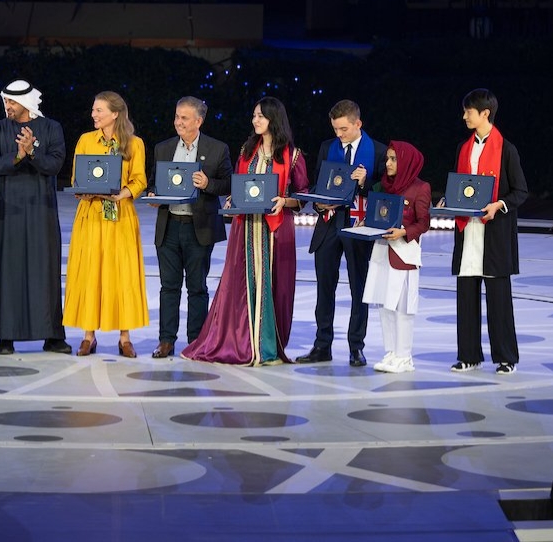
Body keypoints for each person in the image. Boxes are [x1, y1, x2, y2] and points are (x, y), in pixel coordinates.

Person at [181, 97, 309, 366]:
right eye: (254, 116)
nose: (255, 121)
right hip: (246, 228)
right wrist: (232, 199)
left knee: (273, 285)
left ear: (274, 118)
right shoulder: (247, 150)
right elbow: (238, 184)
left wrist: (284, 202)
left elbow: (302, 195)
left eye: (261, 116)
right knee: (239, 283)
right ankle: (239, 339)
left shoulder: (293, 155)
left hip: (274, 231)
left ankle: (266, 345)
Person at [0, 80, 71, 355]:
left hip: (41, 211)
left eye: (12, 102)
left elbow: (55, 165)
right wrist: (18, 156)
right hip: (7, 212)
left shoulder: (51, 128)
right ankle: (6, 335)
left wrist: (32, 152)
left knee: (44, 270)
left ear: (27, 104)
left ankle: (52, 334)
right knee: (7, 270)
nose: (7, 107)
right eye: (6, 102)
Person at [296, 99, 386, 367]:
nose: (339, 135)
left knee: (359, 287)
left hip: (358, 224)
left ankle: (355, 347)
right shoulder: (327, 147)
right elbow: (317, 184)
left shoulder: (379, 152)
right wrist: (318, 202)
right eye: (335, 129)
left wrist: (366, 181)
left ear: (358, 124)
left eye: (344, 129)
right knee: (325, 287)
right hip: (328, 224)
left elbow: (385, 191)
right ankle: (322, 345)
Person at [446, 89, 528, 375]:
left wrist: (499, 205)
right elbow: (461, 186)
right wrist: (449, 199)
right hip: (469, 232)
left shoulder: (506, 149)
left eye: (469, 111)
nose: (464, 116)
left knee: (499, 300)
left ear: (485, 113)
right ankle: (468, 355)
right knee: (466, 296)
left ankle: (506, 357)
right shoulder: (463, 147)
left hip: (494, 234)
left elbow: (520, 191)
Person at [63, 91, 149, 358]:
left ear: (115, 114)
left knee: (123, 274)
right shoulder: (86, 141)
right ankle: (88, 335)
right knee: (91, 273)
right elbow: (78, 178)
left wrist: (122, 194)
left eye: (99, 110)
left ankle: (125, 337)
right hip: (91, 216)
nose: (93, 115)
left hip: (120, 217)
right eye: (93, 110)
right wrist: (86, 190)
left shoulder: (134, 144)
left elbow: (139, 180)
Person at [148, 96, 232, 358]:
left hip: (199, 227)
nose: (178, 122)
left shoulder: (217, 149)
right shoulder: (163, 148)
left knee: (197, 287)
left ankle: (196, 340)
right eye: (176, 117)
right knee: (168, 286)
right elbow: (153, 183)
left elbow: (229, 184)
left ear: (199, 120)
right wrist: (152, 195)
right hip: (169, 225)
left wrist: (208, 184)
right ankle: (166, 341)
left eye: (184, 118)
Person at [362, 141, 431, 373]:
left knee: (403, 308)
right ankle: (391, 352)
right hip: (382, 251)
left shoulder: (420, 188)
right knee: (385, 306)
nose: (388, 163)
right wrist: (366, 223)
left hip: (404, 253)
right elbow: (377, 215)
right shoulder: (383, 186)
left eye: (393, 159)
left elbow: (424, 222)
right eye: (388, 159)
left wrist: (404, 232)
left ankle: (405, 356)